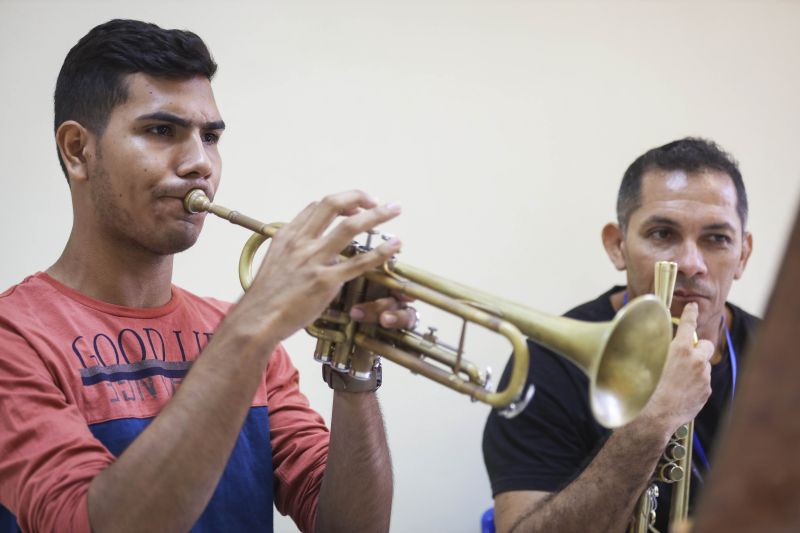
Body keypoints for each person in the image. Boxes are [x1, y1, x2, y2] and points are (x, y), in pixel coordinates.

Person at [0, 19, 415, 533]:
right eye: (160, 130)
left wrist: (356, 371)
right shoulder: (14, 337)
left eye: (211, 136)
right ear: (78, 151)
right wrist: (253, 324)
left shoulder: (239, 333)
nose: (200, 163)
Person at [482, 137, 758, 533]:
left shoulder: (781, 363)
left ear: (743, 256)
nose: (690, 263)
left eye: (716, 239)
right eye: (663, 234)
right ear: (617, 246)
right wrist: (652, 423)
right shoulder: (549, 361)